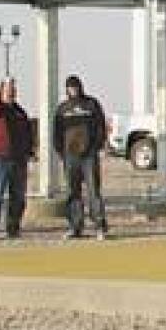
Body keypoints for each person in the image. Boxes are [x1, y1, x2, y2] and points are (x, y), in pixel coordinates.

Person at [53, 74, 109, 240]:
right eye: (70, 87)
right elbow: (57, 132)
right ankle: (75, 226)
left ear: (80, 87)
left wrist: (96, 146)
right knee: (73, 192)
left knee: (93, 191)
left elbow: (101, 126)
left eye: (75, 87)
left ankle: (99, 226)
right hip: (70, 156)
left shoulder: (91, 104)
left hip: (89, 156)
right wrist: (62, 152)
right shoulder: (63, 109)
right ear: (66, 89)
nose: (73, 90)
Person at [0, 79, 31, 240]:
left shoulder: (20, 112)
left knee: (18, 196)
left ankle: (13, 227)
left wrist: (28, 151)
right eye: (8, 89)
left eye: (13, 90)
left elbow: (27, 133)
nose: (11, 92)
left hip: (18, 159)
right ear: (1, 91)